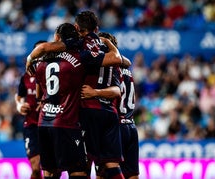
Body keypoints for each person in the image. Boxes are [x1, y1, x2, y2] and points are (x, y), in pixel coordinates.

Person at [33, 22, 120, 179]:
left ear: (58, 38)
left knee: (50, 172)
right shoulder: (80, 58)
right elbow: (117, 60)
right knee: (78, 170)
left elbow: (39, 94)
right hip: (66, 122)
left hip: (43, 122)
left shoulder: (40, 63)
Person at [81, 32, 140, 179]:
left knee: (103, 171)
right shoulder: (126, 70)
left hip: (115, 125)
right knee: (132, 174)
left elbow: (116, 92)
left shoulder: (109, 69)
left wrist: (94, 92)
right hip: (131, 125)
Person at [14, 40, 47, 179]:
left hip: (50, 125)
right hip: (31, 125)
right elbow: (19, 96)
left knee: (50, 169)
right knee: (35, 167)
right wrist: (19, 106)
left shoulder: (56, 72)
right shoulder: (26, 76)